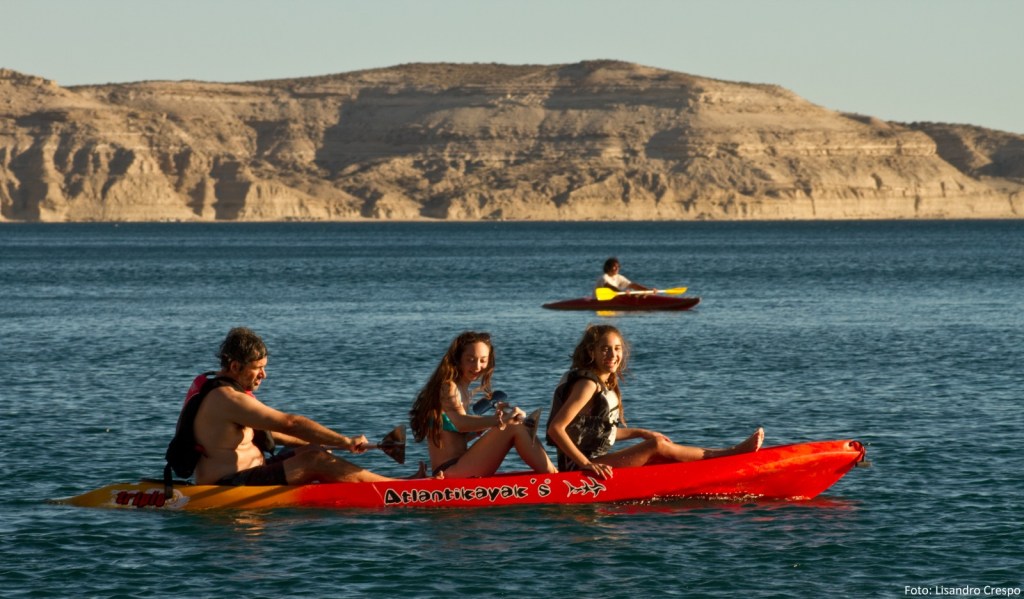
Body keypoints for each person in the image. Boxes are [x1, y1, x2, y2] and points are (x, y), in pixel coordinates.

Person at [179, 327, 400, 486]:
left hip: (252, 472)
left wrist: (336, 444)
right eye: (258, 368)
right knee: (314, 460)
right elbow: (290, 424)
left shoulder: (219, 388)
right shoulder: (227, 398)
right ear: (235, 366)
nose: (264, 375)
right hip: (228, 484)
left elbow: (273, 433)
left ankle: (381, 485)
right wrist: (345, 440)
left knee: (315, 449)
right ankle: (396, 489)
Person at [546, 324, 764, 480]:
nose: (612, 354)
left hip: (596, 460)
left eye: (617, 348)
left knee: (658, 446)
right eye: (605, 348)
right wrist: (586, 464)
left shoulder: (605, 383)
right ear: (591, 351)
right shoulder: (588, 385)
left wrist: (641, 433)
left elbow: (597, 431)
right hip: (579, 468)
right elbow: (557, 429)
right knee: (657, 447)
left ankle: (716, 464)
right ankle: (728, 455)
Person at [409, 331, 558, 478]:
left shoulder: (463, 390)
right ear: (458, 359)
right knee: (514, 426)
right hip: (451, 471)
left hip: (460, 465)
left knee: (518, 424)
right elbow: (460, 423)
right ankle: (556, 479)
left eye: (483, 360)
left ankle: (554, 474)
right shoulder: (449, 386)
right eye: (470, 359)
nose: (477, 366)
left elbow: (457, 438)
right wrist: (500, 420)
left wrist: (490, 425)